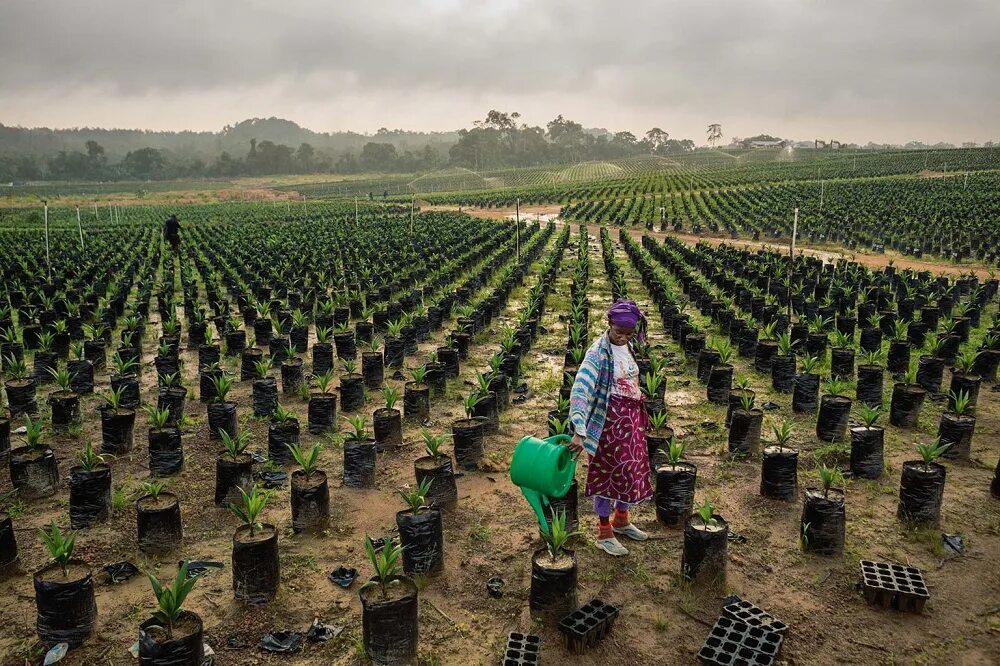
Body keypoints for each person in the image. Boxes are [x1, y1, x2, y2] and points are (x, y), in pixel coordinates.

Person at [568, 299, 652, 556]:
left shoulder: (628, 347)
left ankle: (622, 520)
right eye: (619, 332)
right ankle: (604, 532)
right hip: (608, 423)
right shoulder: (597, 353)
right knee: (607, 474)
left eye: (628, 334)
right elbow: (581, 387)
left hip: (631, 420)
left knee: (630, 472)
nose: (623, 338)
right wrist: (579, 427)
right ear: (609, 325)